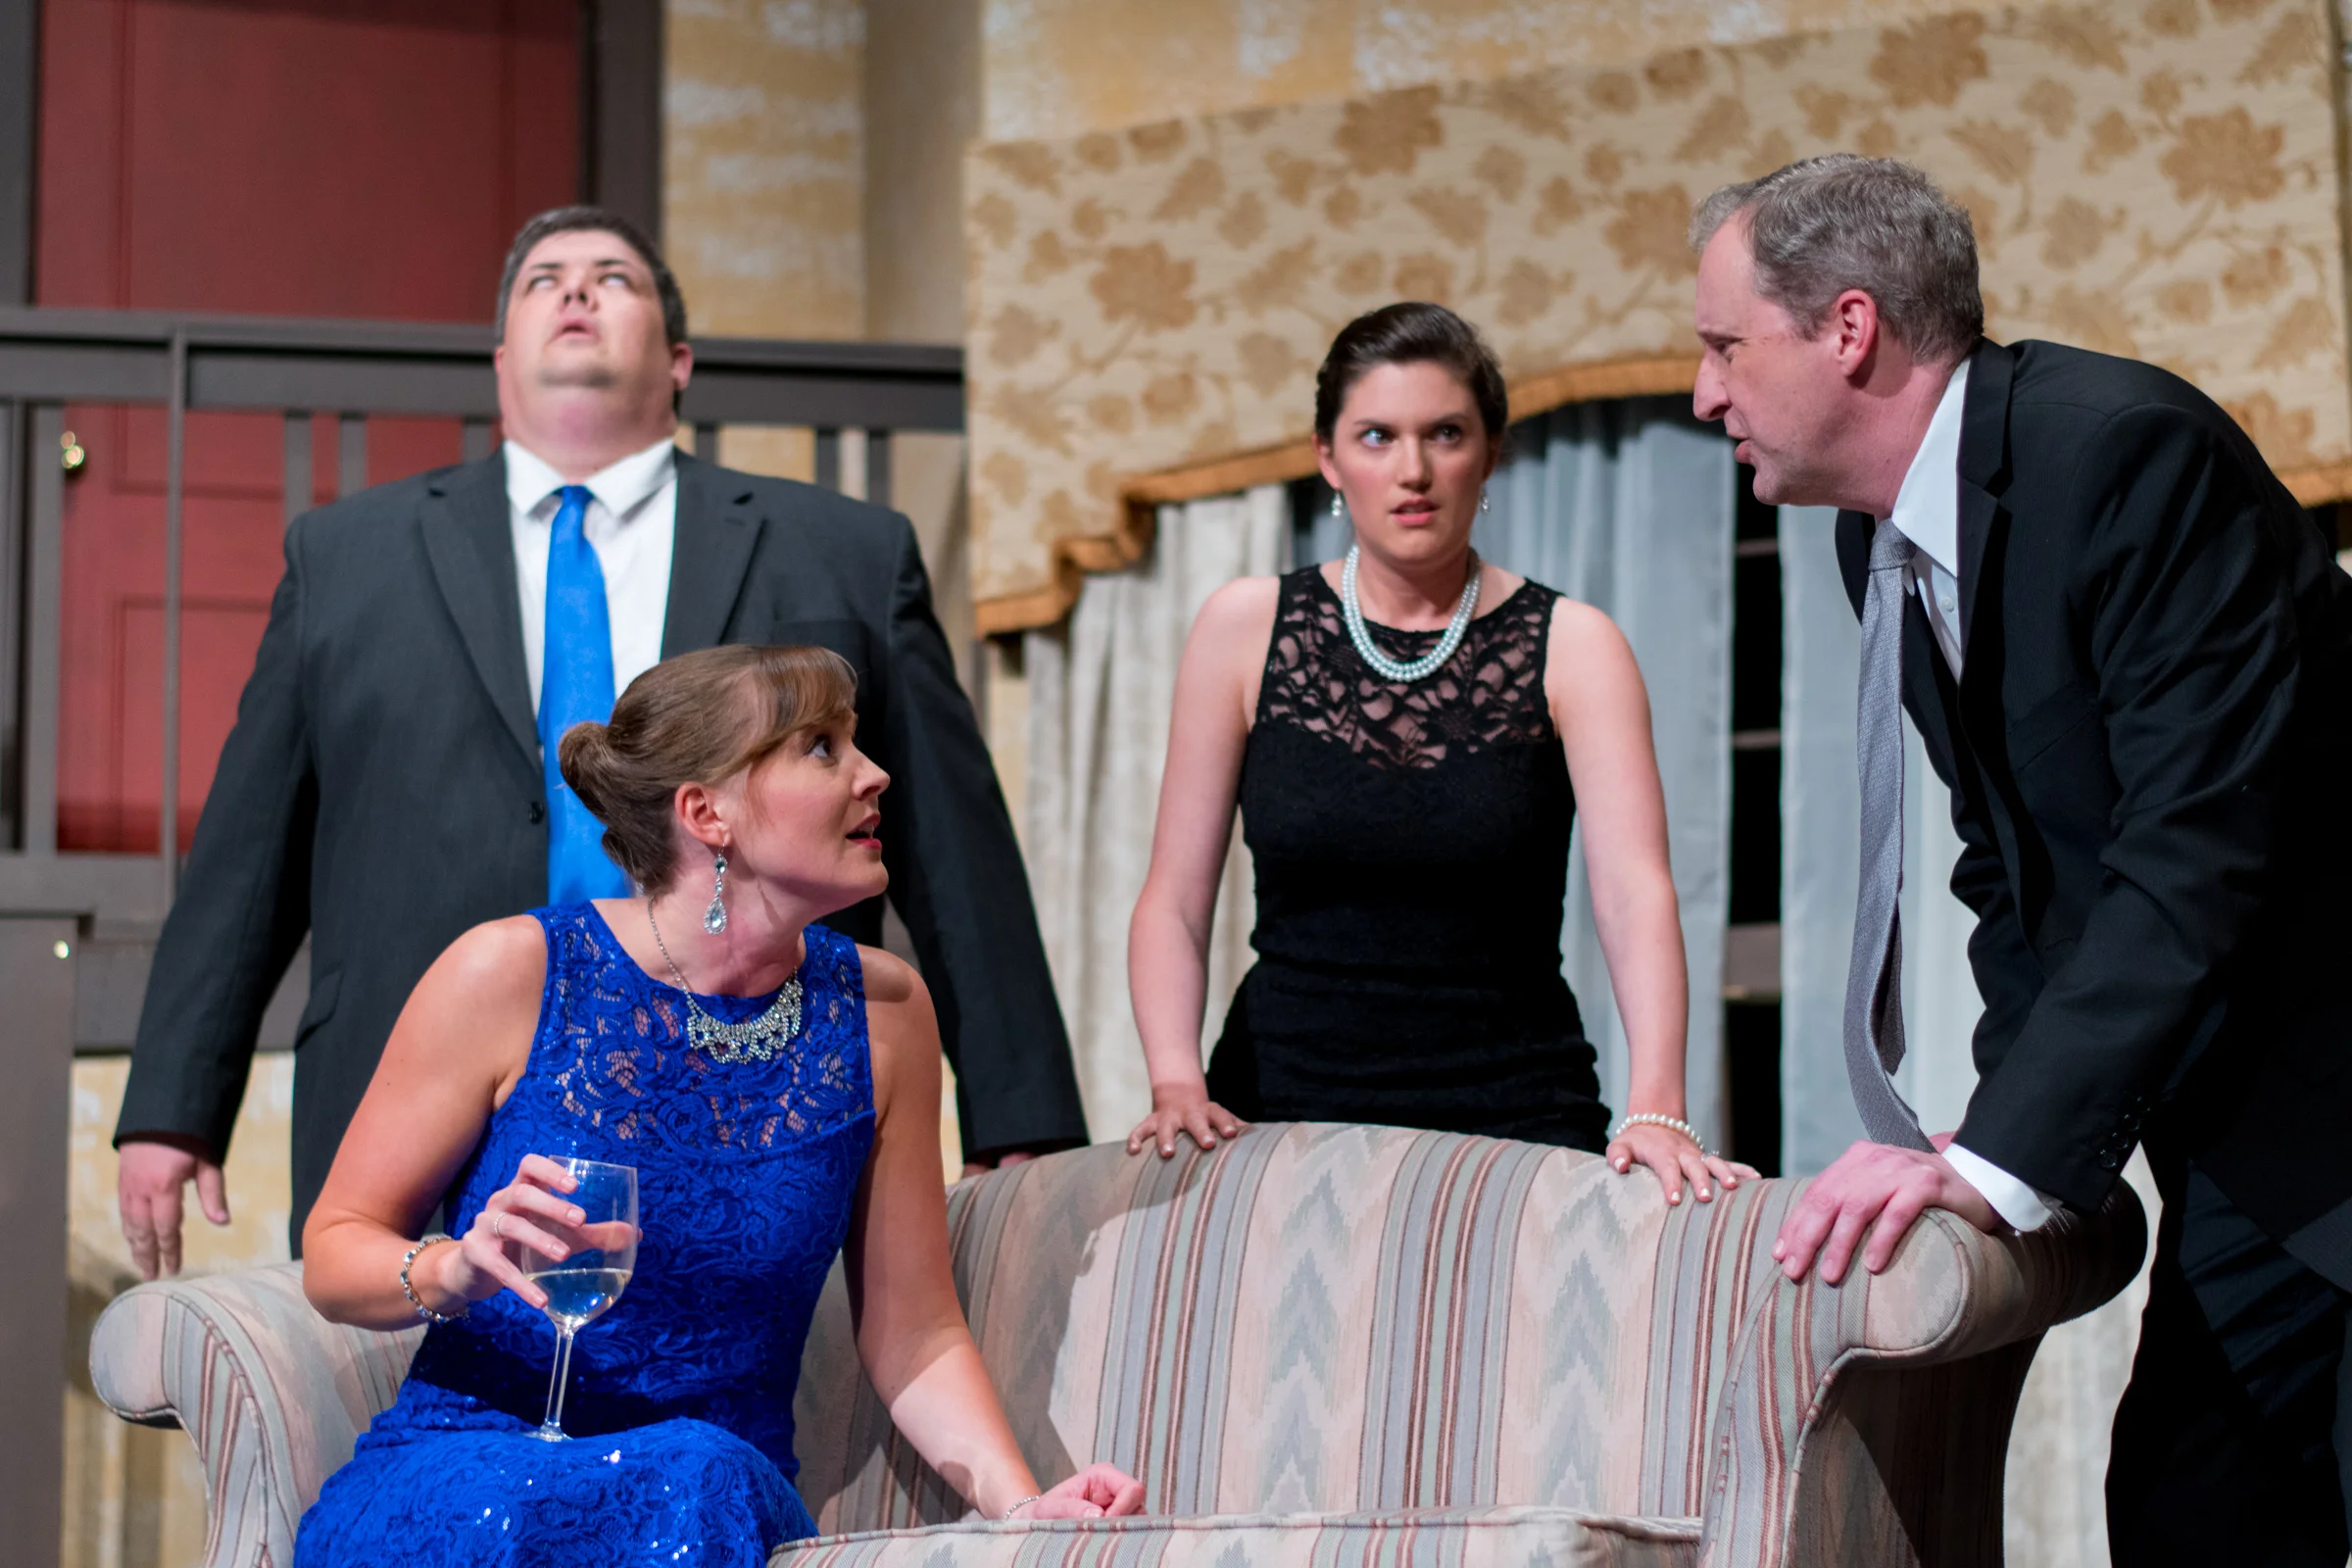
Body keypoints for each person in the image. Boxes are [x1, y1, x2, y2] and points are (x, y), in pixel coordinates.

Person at [115, 206, 1085, 1274]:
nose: (576, 291)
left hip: (758, 1095)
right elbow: (249, 850)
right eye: (545, 280)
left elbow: (953, 842)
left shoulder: (843, 549)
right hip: (420, 1087)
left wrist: (1020, 1111)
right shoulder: (346, 556)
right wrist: (174, 1101)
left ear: (678, 362)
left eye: (613, 277)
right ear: (500, 364)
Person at [1689, 155, 2352, 1563]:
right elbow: (2017, 870)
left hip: (2333, 1086)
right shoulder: (1876, 542)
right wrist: (1999, 1127)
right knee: (2187, 1516)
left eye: (1725, 347)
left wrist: (2002, 1159)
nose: (1705, 395)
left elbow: (2193, 850)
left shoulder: (2125, 455)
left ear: (1849, 329)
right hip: (2253, 1141)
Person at [294, 644, 1144, 1567]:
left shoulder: (884, 1013)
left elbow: (916, 1331)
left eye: (855, 741)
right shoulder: (512, 972)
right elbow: (335, 1248)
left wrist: (1025, 1508)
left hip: (707, 1502)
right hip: (469, 1471)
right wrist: (452, 1268)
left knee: (700, 1472)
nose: (873, 774)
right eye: (821, 747)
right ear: (707, 814)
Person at [1124, 302, 1751, 1207]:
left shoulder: (1578, 645)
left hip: (1518, 1112)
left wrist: (1659, 1105)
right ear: (1328, 458)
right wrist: (1175, 1080)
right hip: (1277, 1112)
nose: (1412, 470)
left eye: (1445, 434)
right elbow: (1175, 900)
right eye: (1377, 436)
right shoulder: (1242, 626)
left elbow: (1634, 894)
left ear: (1490, 453)